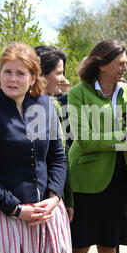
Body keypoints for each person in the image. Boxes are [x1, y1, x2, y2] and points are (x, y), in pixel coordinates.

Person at [0, 42, 71, 253]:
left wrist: (54, 198)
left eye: (20, 73)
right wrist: (16, 209)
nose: (12, 79)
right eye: (7, 72)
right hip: (7, 217)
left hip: (48, 214)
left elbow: (57, 158)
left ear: (33, 78)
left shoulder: (45, 105)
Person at [68, 40, 127, 253]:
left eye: (126, 63)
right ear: (102, 64)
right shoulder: (77, 93)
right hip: (85, 182)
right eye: (120, 63)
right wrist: (124, 137)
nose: (125, 68)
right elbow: (84, 139)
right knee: (78, 248)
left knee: (109, 247)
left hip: (120, 182)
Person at [34, 45, 74, 222]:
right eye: (58, 73)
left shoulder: (55, 106)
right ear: (41, 74)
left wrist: (67, 198)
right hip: (34, 204)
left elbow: (62, 155)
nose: (63, 79)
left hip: (55, 200)